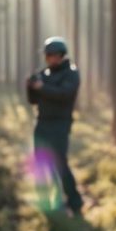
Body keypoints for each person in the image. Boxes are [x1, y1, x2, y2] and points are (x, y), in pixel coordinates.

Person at [26, 37, 84, 217]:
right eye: (48, 55)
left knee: (60, 165)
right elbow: (33, 100)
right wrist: (31, 86)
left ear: (61, 55)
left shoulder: (71, 73)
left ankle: (75, 202)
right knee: (41, 164)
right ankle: (48, 203)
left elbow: (64, 95)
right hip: (42, 123)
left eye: (53, 55)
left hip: (60, 124)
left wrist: (42, 87)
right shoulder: (43, 74)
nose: (50, 58)